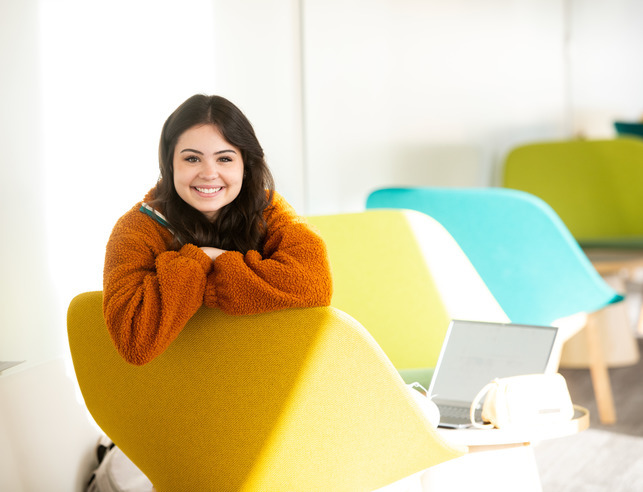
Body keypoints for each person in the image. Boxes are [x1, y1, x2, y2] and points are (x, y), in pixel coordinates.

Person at [103, 94, 333, 366]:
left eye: (224, 159)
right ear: (169, 164)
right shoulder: (138, 229)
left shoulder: (268, 208)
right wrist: (198, 259)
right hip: (180, 387)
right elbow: (135, 342)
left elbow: (315, 283)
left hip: (264, 375)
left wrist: (216, 264)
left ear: (245, 165)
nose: (209, 173)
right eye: (192, 159)